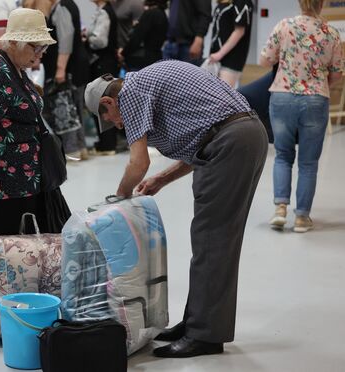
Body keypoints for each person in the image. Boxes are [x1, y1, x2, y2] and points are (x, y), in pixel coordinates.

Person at [84, 61, 267, 358]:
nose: (118, 125)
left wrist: (120, 197)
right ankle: (197, 322)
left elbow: (138, 162)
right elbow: (202, 136)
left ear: (108, 102)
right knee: (210, 240)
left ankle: (205, 336)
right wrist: (162, 178)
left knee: (213, 240)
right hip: (241, 136)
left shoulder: (130, 93)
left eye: (111, 119)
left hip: (231, 143)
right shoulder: (145, 83)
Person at [0, 8, 71, 235]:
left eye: (43, 47)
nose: (40, 53)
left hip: (23, 176)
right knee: (6, 243)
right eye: (35, 46)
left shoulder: (15, 67)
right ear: (13, 42)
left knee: (28, 243)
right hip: (2, 179)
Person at [260, 0, 342, 233]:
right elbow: (337, 75)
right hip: (316, 99)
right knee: (308, 162)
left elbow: (265, 60)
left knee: (283, 155)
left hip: (283, 96)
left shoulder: (284, 25)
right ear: (322, 3)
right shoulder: (331, 33)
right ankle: (302, 218)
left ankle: (280, 210)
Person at [42, 0, 90, 160]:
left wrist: (60, 69)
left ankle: (74, 150)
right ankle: (80, 148)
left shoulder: (63, 7)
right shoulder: (67, 5)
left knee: (68, 109)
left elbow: (66, 38)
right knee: (75, 109)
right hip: (75, 66)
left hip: (70, 68)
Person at [84, 0, 119, 155]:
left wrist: (86, 36)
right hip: (104, 61)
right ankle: (106, 141)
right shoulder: (102, 11)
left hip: (103, 62)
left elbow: (101, 41)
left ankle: (108, 144)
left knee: (104, 100)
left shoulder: (105, 12)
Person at [208, 0, 254, 88]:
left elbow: (239, 31)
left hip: (231, 58)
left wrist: (220, 54)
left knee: (223, 95)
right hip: (216, 56)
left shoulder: (243, 2)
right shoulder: (223, 2)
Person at [120, 0, 168, 71]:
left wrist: (123, 53)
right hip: (156, 58)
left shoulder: (150, 13)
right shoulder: (162, 13)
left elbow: (137, 38)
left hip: (142, 59)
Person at [163, 0, 211, 65]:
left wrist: (199, 39)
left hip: (188, 44)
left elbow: (205, 15)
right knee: (165, 74)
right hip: (171, 42)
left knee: (187, 74)